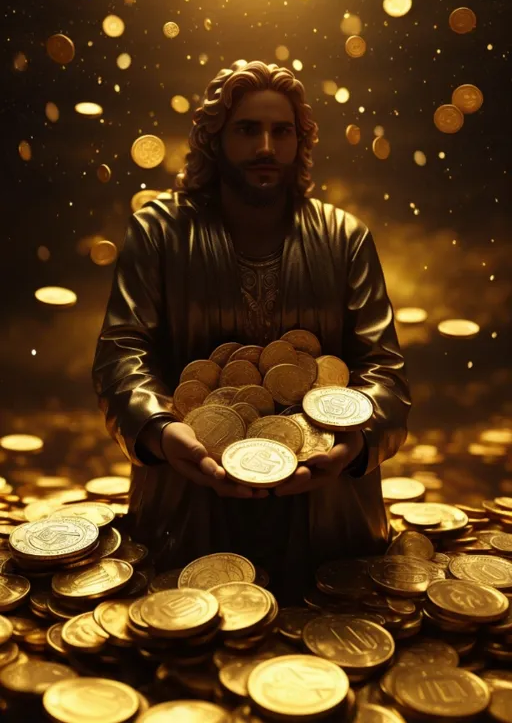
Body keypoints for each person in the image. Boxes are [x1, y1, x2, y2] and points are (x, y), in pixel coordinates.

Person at [92, 60, 412, 599]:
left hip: (328, 512)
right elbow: (121, 355)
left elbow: (385, 371)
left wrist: (354, 444)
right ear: (213, 138)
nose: (266, 145)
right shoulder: (159, 231)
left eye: (281, 130)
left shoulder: (345, 238)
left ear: (300, 141)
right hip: (186, 502)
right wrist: (163, 433)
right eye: (247, 129)